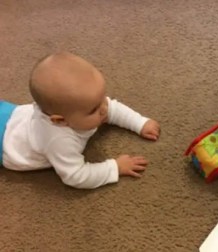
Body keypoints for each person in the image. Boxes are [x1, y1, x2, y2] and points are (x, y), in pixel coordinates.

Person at [1, 52, 160, 189]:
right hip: (5, 144)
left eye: (102, 98)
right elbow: (75, 176)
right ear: (60, 121)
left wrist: (140, 123)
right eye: (93, 109)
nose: (104, 108)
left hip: (11, 113)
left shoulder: (89, 106)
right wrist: (115, 167)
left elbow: (112, 108)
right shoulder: (58, 141)